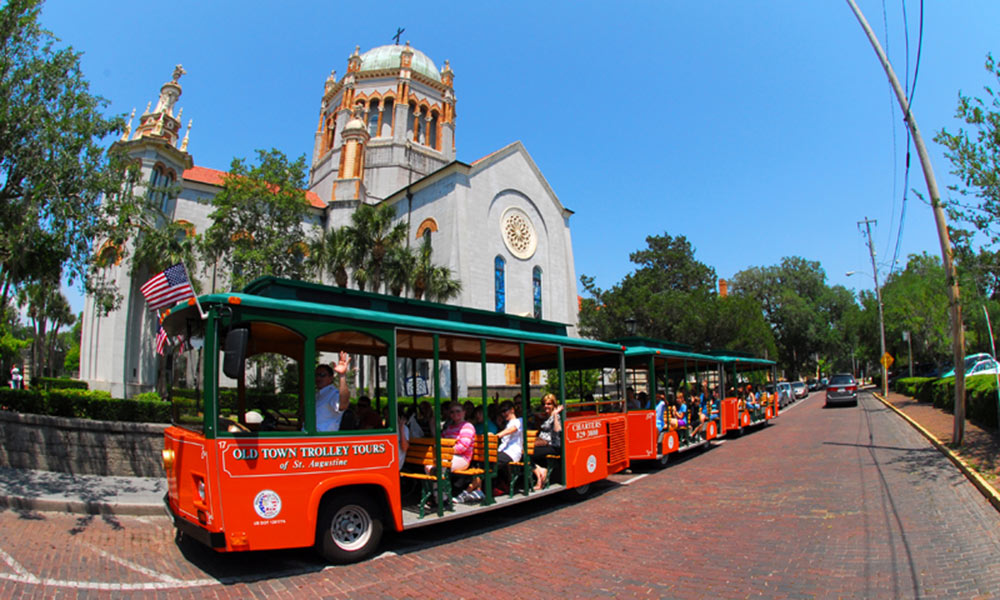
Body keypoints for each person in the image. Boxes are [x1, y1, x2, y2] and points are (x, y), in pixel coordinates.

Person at [424, 402, 475, 502]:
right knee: (428, 465)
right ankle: (436, 494)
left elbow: (462, 447)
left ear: (464, 412)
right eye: (452, 412)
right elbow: (440, 440)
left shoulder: (467, 426)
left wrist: (445, 451)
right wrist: (432, 425)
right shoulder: (450, 427)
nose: (455, 414)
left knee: (441, 465)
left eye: (458, 411)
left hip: (463, 459)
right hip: (448, 457)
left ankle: (442, 498)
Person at [532, 393, 563, 490]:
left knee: (528, 453)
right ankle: (540, 471)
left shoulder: (556, 416)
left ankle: (540, 474)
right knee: (524, 451)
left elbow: (557, 430)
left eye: (549, 404)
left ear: (554, 405)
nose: (546, 406)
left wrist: (555, 415)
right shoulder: (547, 416)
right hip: (544, 444)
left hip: (552, 446)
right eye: (544, 404)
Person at [315, 353, 351, 431]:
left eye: (322, 375)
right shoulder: (317, 394)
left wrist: (342, 375)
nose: (318, 378)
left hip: (324, 439)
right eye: (316, 375)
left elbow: (343, 405)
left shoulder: (332, 393)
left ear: (331, 378)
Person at [494, 399, 523, 493]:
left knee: (491, 462)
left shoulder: (519, 421)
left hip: (512, 453)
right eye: (502, 411)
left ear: (512, 410)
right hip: (503, 451)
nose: (503, 414)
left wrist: (498, 435)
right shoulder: (507, 424)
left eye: (505, 410)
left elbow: (512, 430)